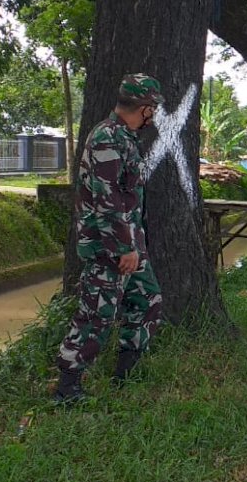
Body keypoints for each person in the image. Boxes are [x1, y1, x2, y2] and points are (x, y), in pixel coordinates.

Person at [54, 74, 165, 404]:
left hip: (130, 244)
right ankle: (67, 386)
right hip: (110, 247)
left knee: (148, 300)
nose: (155, 114)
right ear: (144, 108)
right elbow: (107, 200)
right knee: (96, 315)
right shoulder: (106, 138)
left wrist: (134, 245)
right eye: (153, 108)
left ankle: (125, 373)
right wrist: (124, 248)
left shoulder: (126, 137)